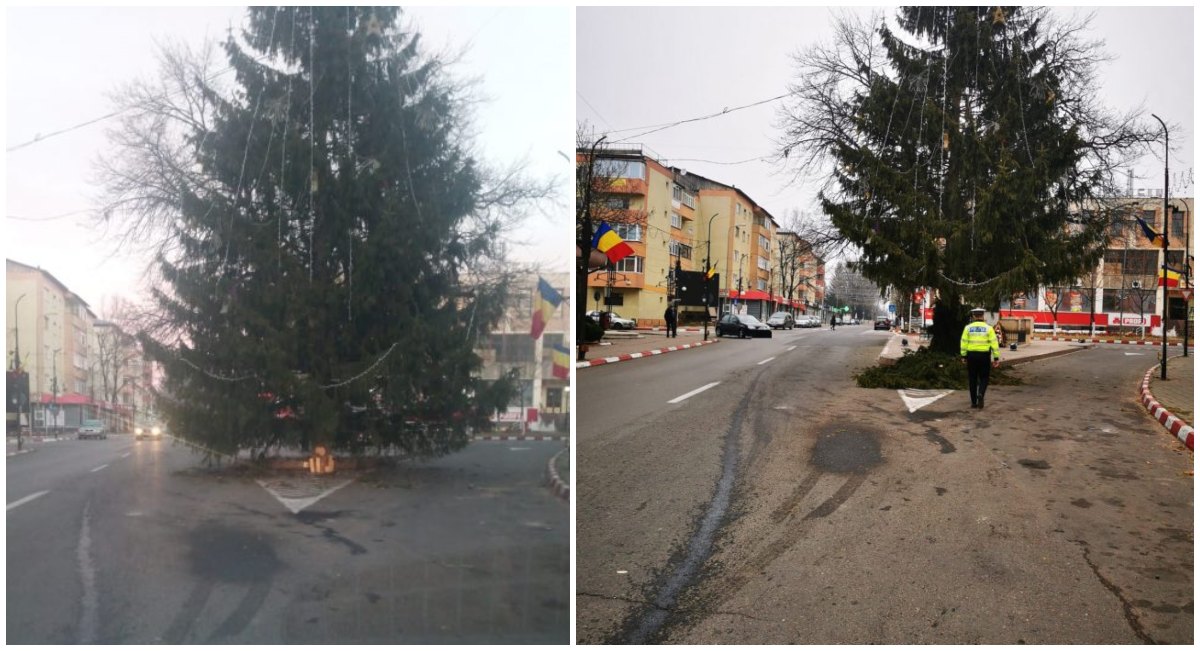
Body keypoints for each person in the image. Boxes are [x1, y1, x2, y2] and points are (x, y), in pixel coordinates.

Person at [960, 307, 1001, 409]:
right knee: (984, 377)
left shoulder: (967, 328)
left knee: (972, 378)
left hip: (971, 356)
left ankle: (974, 403)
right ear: (983, 315)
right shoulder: (989, 328)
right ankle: (981, 394)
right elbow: (994, 343)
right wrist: (996, 358)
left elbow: (964, 342)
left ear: (973, 316)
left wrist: (963, 356)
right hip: (984, 356)